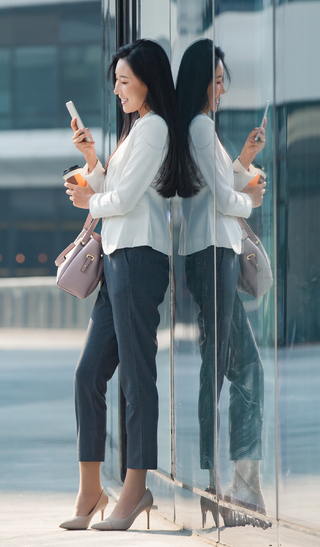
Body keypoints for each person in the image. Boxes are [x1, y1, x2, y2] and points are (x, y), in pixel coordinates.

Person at [60, 39, 179, 531]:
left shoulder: (154, 129)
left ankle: (135, 490)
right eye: (116, 81)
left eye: (125, 81)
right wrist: (92, 159)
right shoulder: (136, 131)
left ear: (149, 80)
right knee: (89, 374)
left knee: (136, 377)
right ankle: (92, 490)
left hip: (139, 258)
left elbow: (122, 199)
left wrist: (90, 197)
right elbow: (113, 190)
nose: (117, 90)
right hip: (117, 259)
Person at [157, 39, 268, 529]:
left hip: (211, 252)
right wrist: (252, 201)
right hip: (212, 254)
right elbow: (225, 198)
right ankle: (221, 485)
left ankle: (236, 488)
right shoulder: (200, 126)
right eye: (218, 78)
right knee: (220, 369)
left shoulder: (204, 129)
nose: (222, 87)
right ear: (202, 79)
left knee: (239, 369)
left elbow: (218, 187)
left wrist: (243, 160)